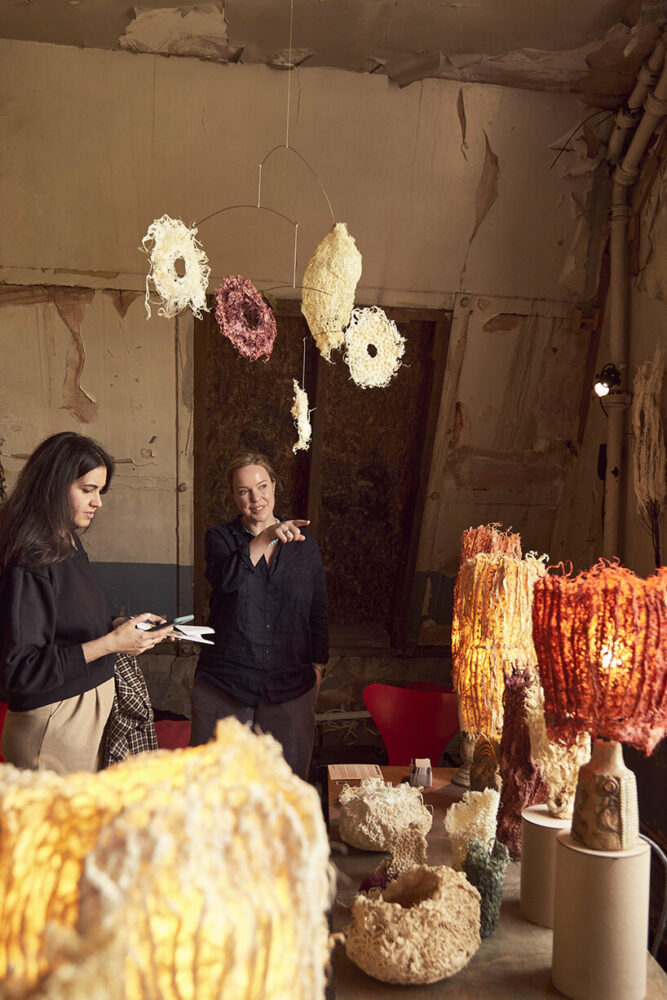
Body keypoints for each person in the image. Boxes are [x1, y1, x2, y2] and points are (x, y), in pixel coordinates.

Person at [0, 431, 173, 774]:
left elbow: (66, 622)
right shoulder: (32, 557)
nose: (98, 502)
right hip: (54, 725)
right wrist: (111, 643)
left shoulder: (67, 542)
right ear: (53, 485)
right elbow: (19, 670)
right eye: (87, 490)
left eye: (100, 491)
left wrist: (123, 628)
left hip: (77, 721)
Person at [191, 450, 329, 780]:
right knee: (217, 786)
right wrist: (266, 535)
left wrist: (319, 665)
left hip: (290, 685)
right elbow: (227, 581)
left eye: (263, 486)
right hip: (226, 682)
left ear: (275, 486)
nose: (256, 498)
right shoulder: (220, 538)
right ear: (234, 496)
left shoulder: (303, 545)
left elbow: (317, 607)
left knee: (287, 786)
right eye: (244, 491)